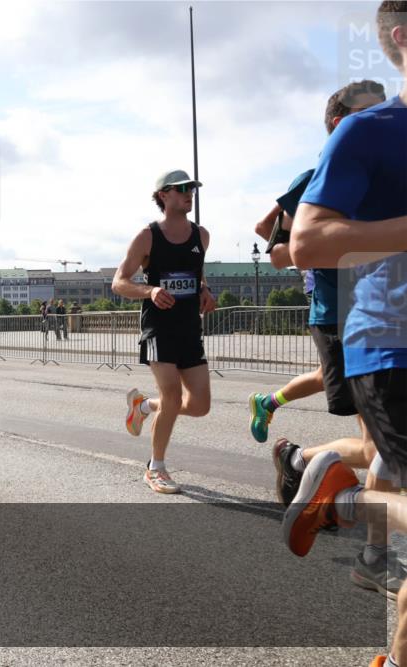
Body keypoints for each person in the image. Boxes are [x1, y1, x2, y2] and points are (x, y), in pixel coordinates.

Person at [282, 5, 407, 666]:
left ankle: (350, 501)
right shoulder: (369, 132)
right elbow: (304, 242)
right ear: (402, 38)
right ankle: (350, 502)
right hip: (393, 346)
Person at [254, 81, 399, 597]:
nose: (383, 116)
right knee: (378, 447)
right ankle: (371, 550)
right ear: (341, 122)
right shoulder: (318, 172)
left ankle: (302, 462)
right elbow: (280, 247)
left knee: (376, 448)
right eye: (370, 111)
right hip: (346, 318)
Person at [249, 79, 388, 444]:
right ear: (342, 123)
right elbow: (267, 229)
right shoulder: (313, 178)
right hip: (337, 312)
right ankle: (300, 462)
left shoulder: (381, 176)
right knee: (375, 437)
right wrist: (304, 256)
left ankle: (269, 404)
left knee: (328, 379)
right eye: (371, 114)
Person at [113, 169, 216, 494]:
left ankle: (143, 407)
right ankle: (155, 468)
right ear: (163, 195)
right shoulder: (147, 237)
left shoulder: (202, 236)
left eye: (192, 188)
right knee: (172, 395)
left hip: (189, 329)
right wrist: (151, 291)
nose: (189, 193)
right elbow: (119, 282)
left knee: (199, 405)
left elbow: (196, 275)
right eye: (183, 188)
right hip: (158, 329)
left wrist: (204, 291)